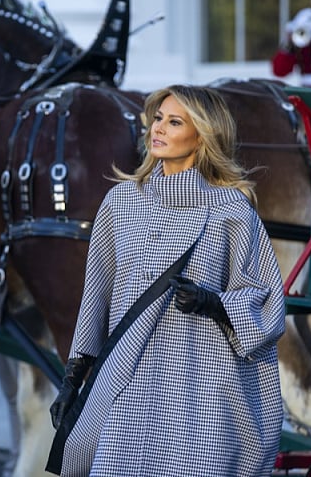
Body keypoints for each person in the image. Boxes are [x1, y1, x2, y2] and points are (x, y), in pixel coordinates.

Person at [46, 85, 286, 476]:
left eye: (175, 122)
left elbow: (266, 303)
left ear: (203, 135)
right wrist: (72, 379)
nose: (158, 128)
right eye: (158, 118)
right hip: (128, 385)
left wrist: (213, 302)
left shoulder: (232, 211)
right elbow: (96, 297)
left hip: (202, 388)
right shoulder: (121, 201)